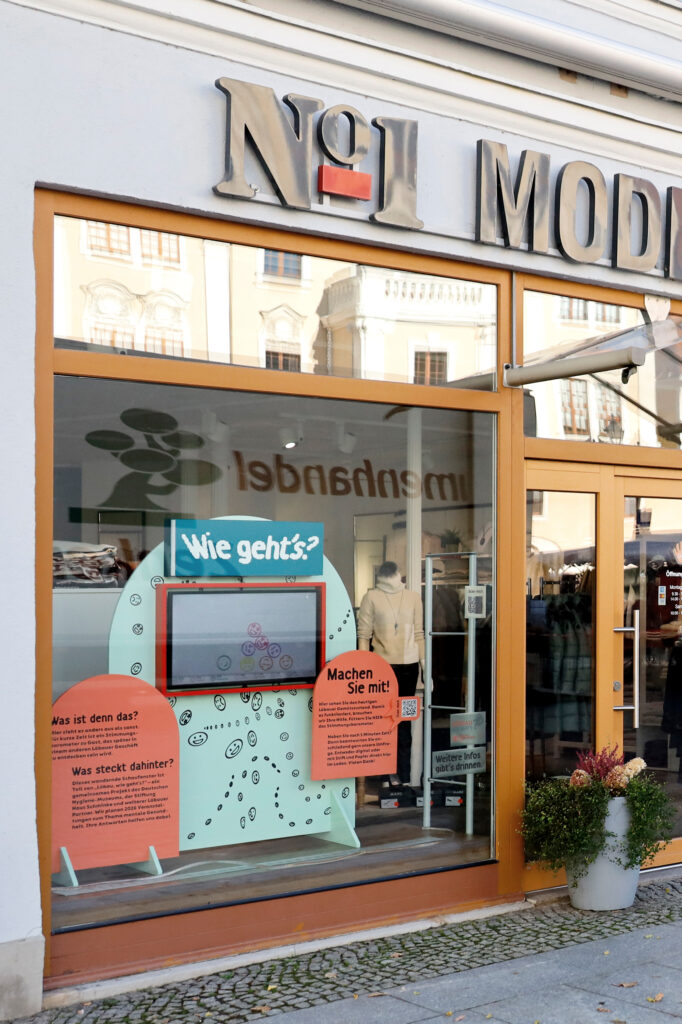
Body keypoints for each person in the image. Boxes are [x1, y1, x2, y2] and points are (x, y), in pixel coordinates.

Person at [357, 561, 425, 785]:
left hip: (410, 667)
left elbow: (419, 634)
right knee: (384, 722)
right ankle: (387, 776)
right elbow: (364, 635)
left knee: (404, 721)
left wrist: (425, 667)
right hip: (382, 667)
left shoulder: (413, 597)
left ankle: (403, 777)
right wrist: (366, 669)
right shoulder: (371, 597)